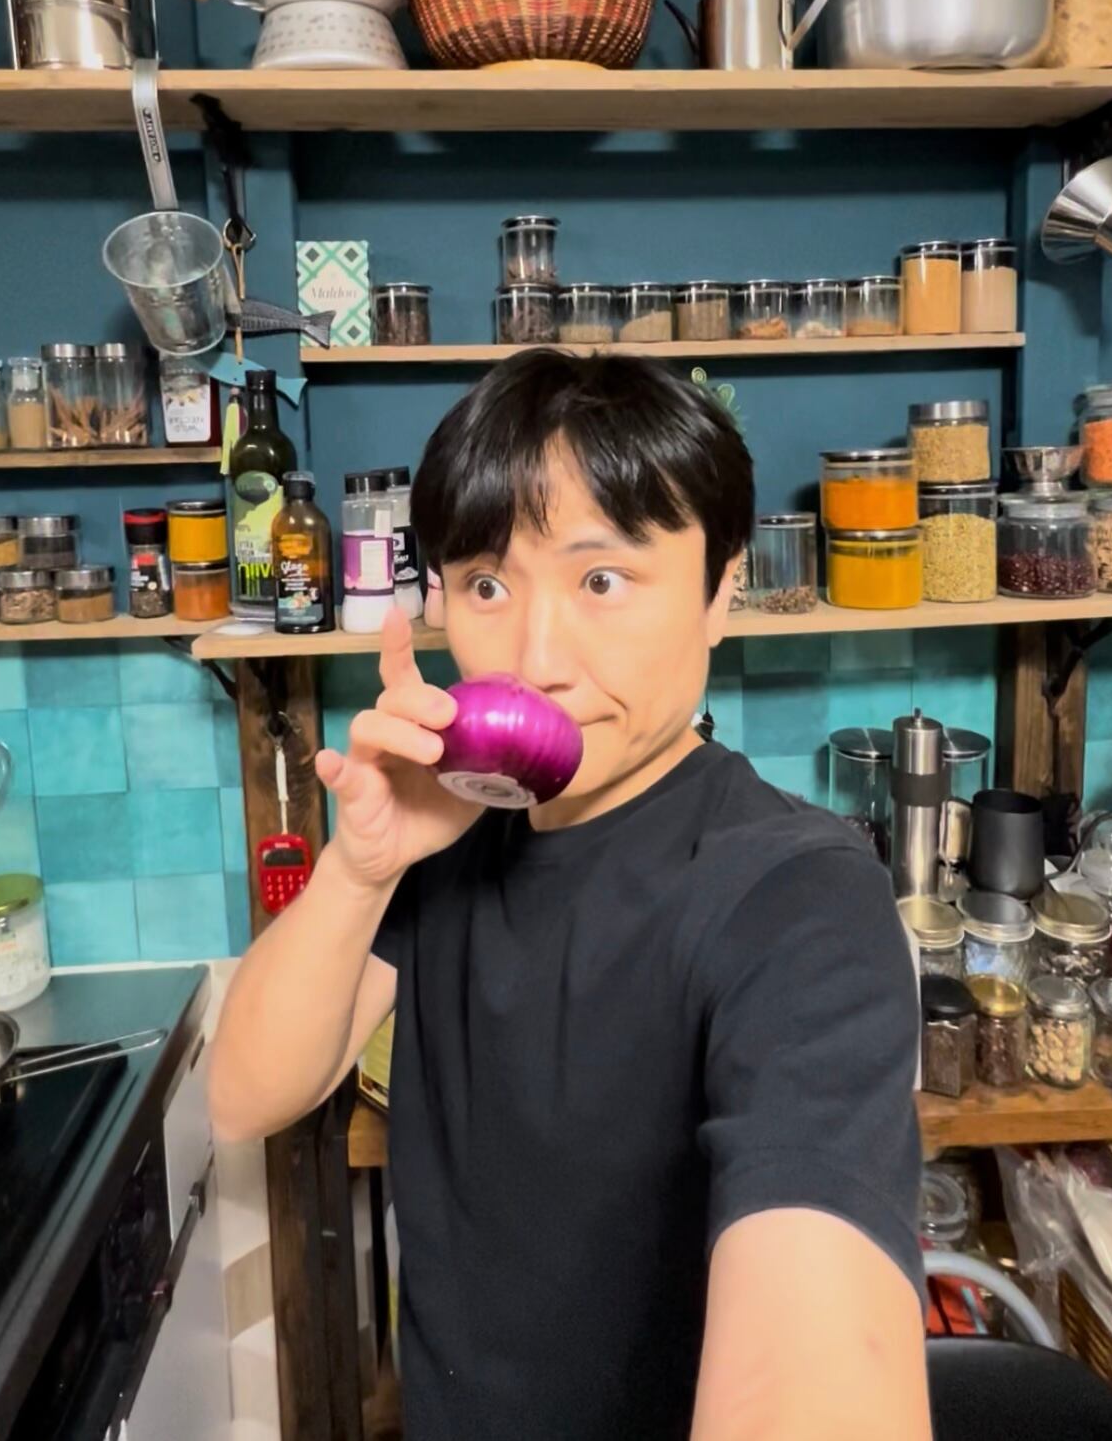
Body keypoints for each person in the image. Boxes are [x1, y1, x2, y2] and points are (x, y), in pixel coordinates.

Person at [210, 351, 931, 1441]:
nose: (537, 659)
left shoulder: (798, 894)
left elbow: (821, 1350)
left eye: (602, 580)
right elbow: (242, 1096)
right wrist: (360, 869)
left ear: (720, 591)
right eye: (488, 585)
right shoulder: (444, 841)